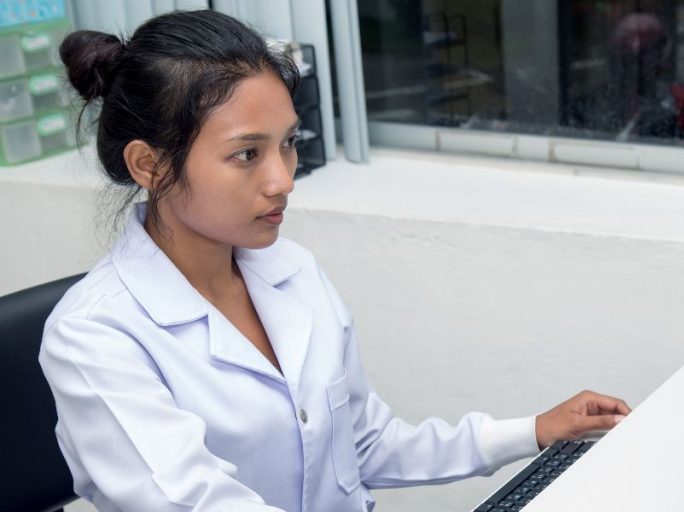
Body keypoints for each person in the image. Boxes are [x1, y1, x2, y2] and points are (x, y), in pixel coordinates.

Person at [40, 10, 631, 512]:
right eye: (246, 154)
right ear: (149, 166)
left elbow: (363, 445)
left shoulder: (290, 270)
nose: (282, 181)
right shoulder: (94, 336)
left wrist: (534, 431)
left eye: (289, 144)